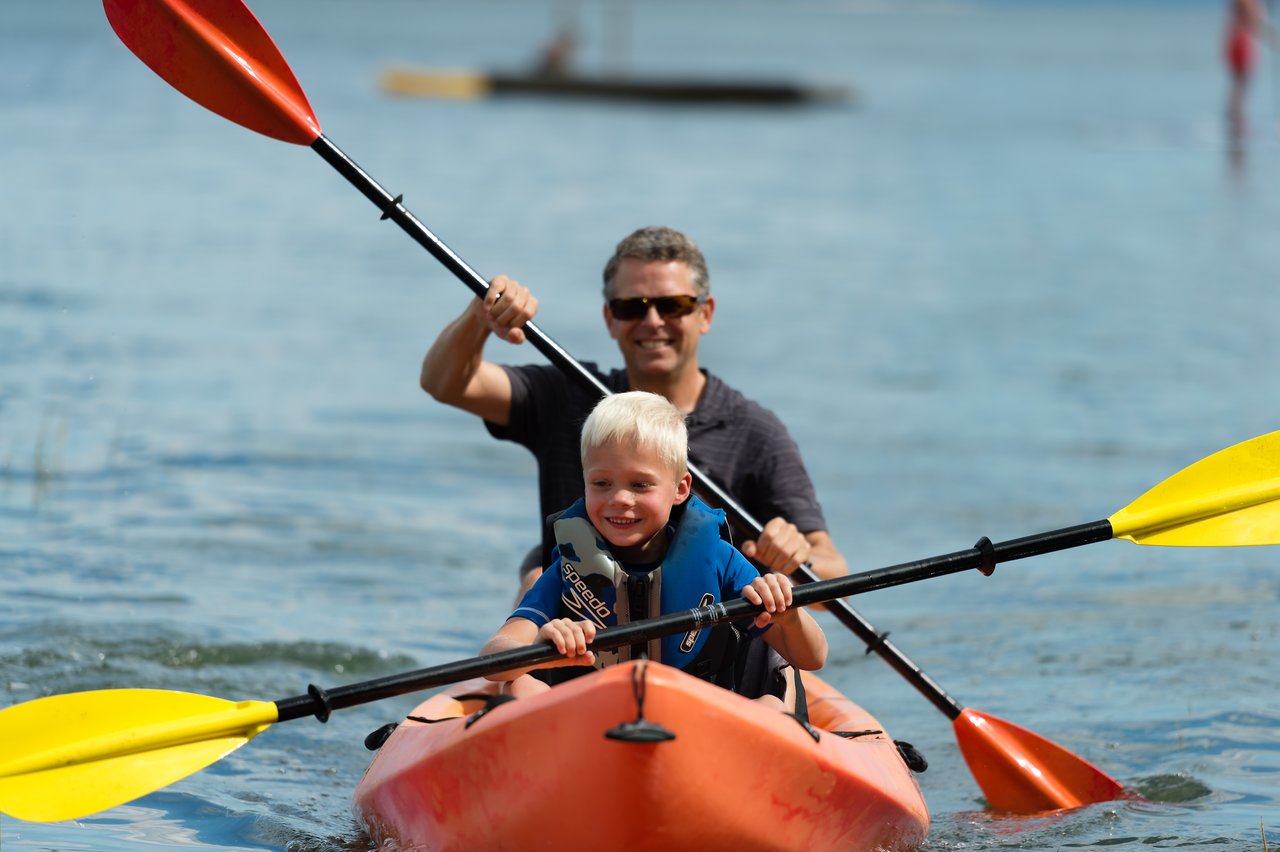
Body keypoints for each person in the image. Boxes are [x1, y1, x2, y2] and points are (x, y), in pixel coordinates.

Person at [419, 226, 850, 602]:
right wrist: (480, 315)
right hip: (577, 637)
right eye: (632, 307)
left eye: (674, 305)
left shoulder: (754, 432)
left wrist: (796, 554)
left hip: (701, 649)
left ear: (705, 314)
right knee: (535, 576)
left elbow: (832, 570)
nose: (652, 320)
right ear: (610, 319)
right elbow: (445, 383)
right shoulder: (567, 394)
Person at [478, 392, 828, 709]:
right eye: (601, 483)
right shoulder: (567, 570)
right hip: (592, 726)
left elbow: (813, 657)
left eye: (640, 484)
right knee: (521, 688)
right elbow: (494, 657)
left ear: (680, 489)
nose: (619, 498)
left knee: (771, 705)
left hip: (705, 727)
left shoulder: (721, 561)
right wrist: (539, 648)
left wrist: (790, 615)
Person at [1224, 0, 1269, 148]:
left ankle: (1236, 127)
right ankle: (1237, 128)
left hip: (1240, 39)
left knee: (1239, 87)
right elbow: (1252, 22)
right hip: (1242, 41)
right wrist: (1272, 36)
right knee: (1241, 87)